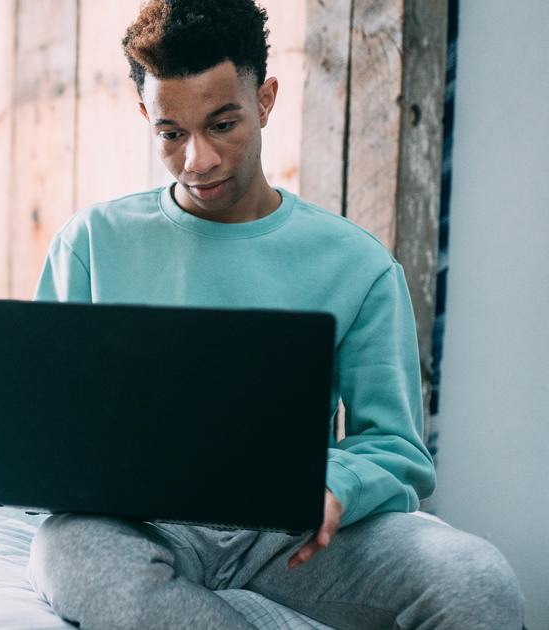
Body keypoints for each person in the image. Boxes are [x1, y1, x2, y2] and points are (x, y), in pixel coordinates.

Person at [27, 1, 526, 628]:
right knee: (67, 552)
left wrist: (336, 484)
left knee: (474, 579)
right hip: (141, 524)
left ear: (264, 101)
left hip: (292, 536)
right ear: (146, 119)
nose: (197, 159)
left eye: (222, 124)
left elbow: (396, 447)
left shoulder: (358, 265)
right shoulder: (91, 242)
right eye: (171, 133)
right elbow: (45, 423)